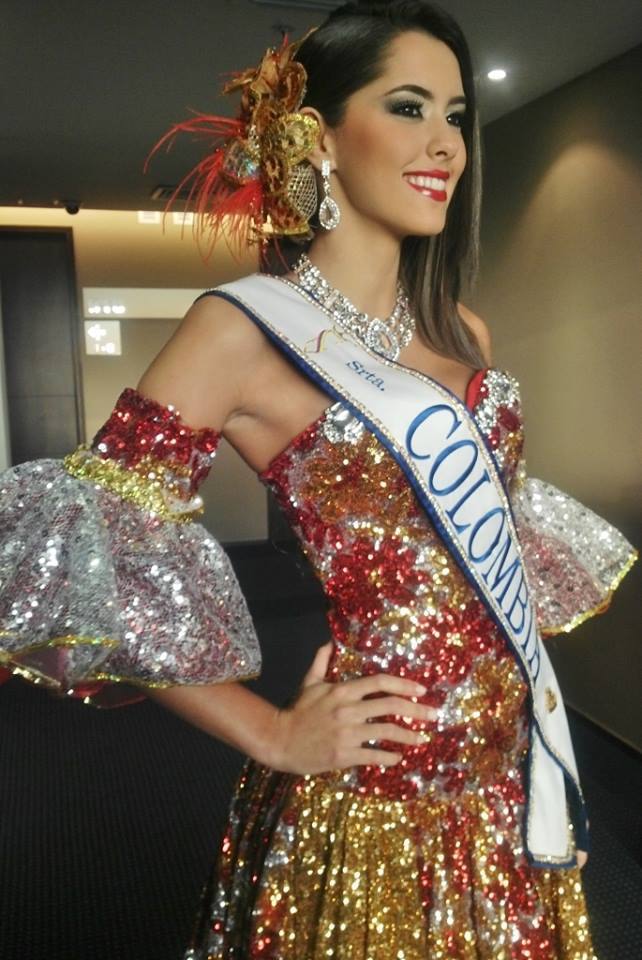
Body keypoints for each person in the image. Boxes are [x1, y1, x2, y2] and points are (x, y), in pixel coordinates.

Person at [0, 2, 636, 957]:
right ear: (320, 139)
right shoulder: (244, 332)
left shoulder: (466, 335)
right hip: (376, 798)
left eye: (457, 116)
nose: (445, 146)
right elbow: (85, 561)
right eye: (410, 107)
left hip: (507, 777)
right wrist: (270, 734)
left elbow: (478, 553)